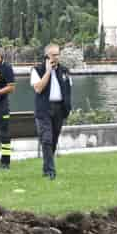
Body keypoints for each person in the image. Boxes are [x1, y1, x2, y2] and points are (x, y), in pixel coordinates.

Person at [31, 43, 72, 180]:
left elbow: (68, 90)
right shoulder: (37, 70)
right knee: (46, 139)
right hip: (44, 109)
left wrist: (67, 107)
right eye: (53, 55)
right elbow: (38, 88)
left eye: (57, 54)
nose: (56, 57)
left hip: (59, 109)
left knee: (53, 139)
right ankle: (50, 171)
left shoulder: (64, 71)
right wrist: (48, 71)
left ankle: (46, 167)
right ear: (46, 56)